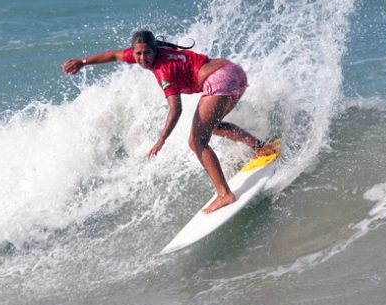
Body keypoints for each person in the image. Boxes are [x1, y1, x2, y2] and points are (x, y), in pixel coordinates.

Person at [63, 30, 275, 214]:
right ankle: (260, 147)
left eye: (147, 53)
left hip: (219, 79)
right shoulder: (145, 54)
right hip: (233, 71)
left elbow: (176, 109)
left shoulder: (164, 69)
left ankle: (224, 194)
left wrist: (161, 140)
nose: (143, 58)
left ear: (155, 51)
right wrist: (82, 62)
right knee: (214, 126)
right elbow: (115, 55)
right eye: (138, 53)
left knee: (197, 142)